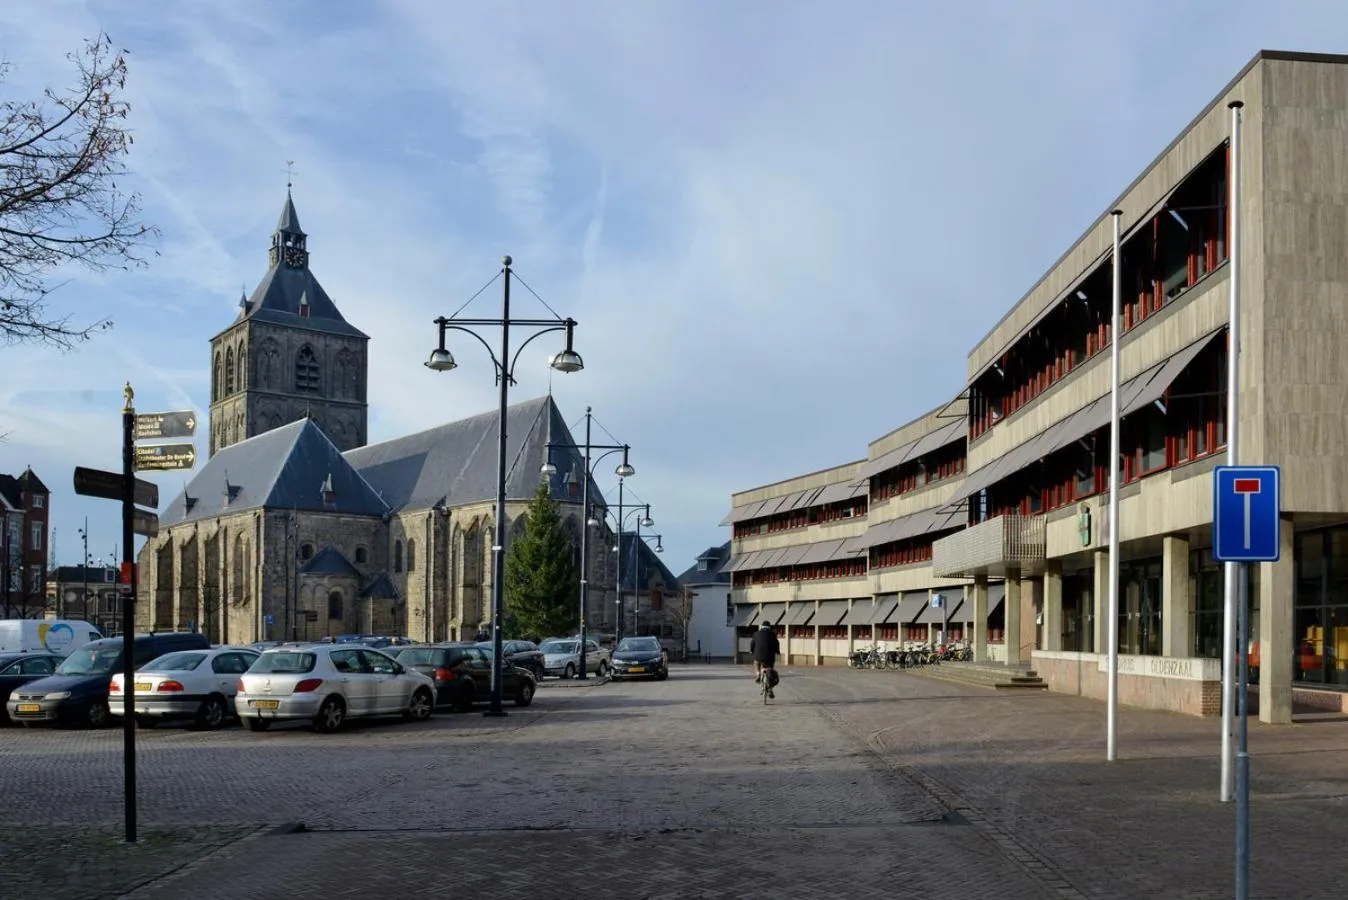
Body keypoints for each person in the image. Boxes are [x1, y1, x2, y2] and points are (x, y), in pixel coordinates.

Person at [750, 622, 780, 693]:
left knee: (756, 663)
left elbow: (752, 643)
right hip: (770, 657)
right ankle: (771, 689)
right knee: (770, 669)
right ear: (769, 627)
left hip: (758, 655)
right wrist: (777, 651)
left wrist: (751, 651)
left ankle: (758, 674)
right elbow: (777, 643)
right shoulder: (773, 634)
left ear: (762, 626)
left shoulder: (756, 633)